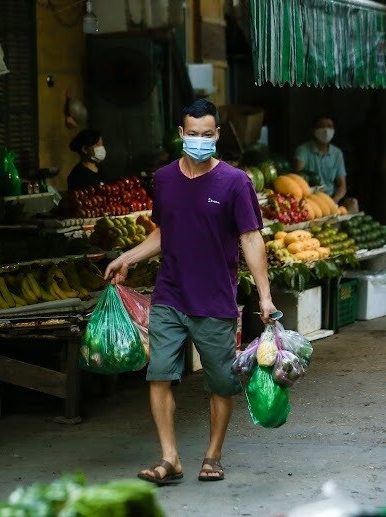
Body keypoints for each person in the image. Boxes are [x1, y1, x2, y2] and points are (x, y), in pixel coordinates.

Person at [104, 99, 277, 484]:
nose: (199, 141)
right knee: (159, 375)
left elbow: (251, 239)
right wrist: (128, 257)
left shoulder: (235, 182)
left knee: (220, 383)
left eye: (207, 135)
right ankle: (170, 458)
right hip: (169, 296)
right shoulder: (164, 178)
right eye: (192, 134)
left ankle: (213, 456)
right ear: (182, 135)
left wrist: (264, 296)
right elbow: (164, 231)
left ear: (216, 135)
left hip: (215, 301)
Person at [294, 116, 347, 204]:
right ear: (313, 131)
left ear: (334, 130)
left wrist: (335, 200)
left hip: (331, 198)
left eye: (329, 126)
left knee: (353, 203)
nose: (326, 130)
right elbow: (299, 178)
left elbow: (342, 185)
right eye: (321, 126)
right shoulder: (302, 150)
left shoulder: (337, 153)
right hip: (310, 199)